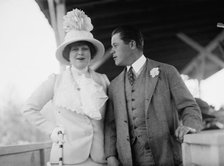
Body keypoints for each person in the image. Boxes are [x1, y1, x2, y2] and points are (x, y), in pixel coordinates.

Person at [104, 25, 203, 166]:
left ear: (132, 44)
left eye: (115, 45)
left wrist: (189, 125)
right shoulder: (113, 85)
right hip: (128, 160)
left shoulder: (167, 72)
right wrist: (111, 156)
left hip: (166, 156)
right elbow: (110, 126)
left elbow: (189, 106)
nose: (112, 51)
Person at [21, 9, 109, 166]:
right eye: (75, 49)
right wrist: (52, 130)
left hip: (99, 157)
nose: (80, 53)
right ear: (68, 55)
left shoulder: (102, 80)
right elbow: (28, 108)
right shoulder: (56, 81)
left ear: (91, 53)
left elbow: (112, 119)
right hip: (67, 157)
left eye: (84, 48)